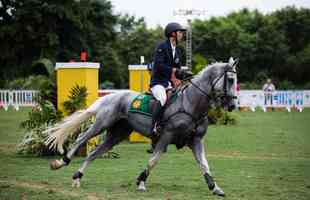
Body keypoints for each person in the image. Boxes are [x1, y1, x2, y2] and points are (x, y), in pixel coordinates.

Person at [149, 22, 186, 135]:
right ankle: (154, 126)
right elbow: (158, 65)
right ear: (172, 34)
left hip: (170, 83)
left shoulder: (178, 51)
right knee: (162, 99)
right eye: (179, 32)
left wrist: (183, 76)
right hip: (158, 82)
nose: (181, 35)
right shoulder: (162, 47)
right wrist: (173, 71)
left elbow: (178, 69)